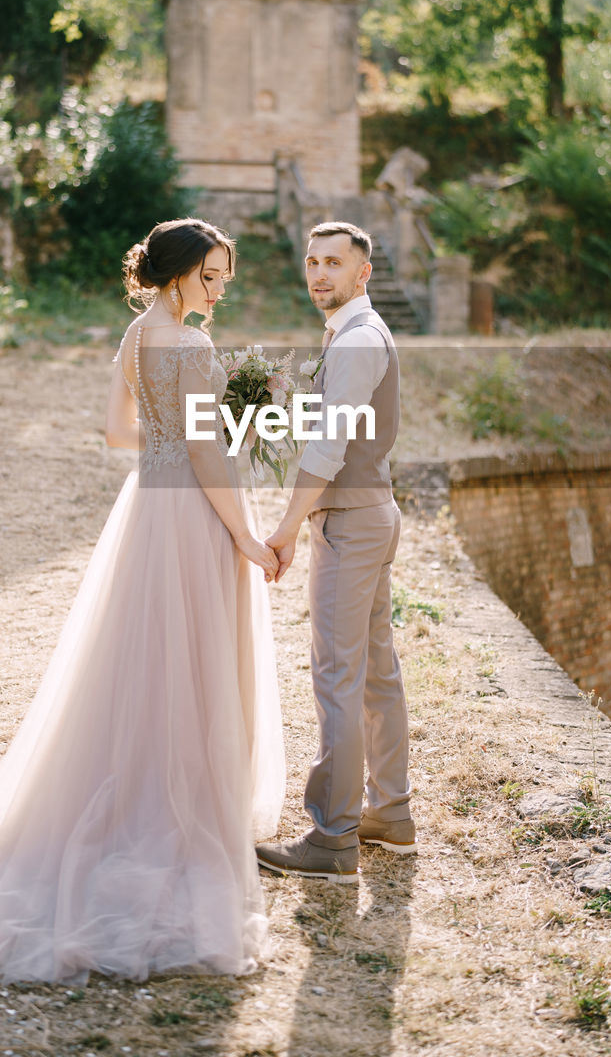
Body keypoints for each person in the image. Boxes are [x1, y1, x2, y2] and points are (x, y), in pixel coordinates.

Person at [0, 217, 286, 983]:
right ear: (177, 273)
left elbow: (118, 432)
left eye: (223, 280)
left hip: (147, 504)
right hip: (192, 513)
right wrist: (245, 532)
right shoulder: (193, 345)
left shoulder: (137, 338)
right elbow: (208, 452)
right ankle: (170, 810)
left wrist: (178, 437)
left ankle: (129, 787)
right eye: (210, 277)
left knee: (134, 656)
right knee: (190, 655)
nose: (217, 290)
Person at [257, 221, 414, 884]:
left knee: (337, 678)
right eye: (312, 261)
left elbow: (327, 448)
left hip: (350, 522)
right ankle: (391, 815)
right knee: (374, 670)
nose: (319, 273)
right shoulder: (353, 336)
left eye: (334, 262)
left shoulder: (356, 338)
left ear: (362, 273)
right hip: (369, 514)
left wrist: (289, 525)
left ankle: (331, 839)